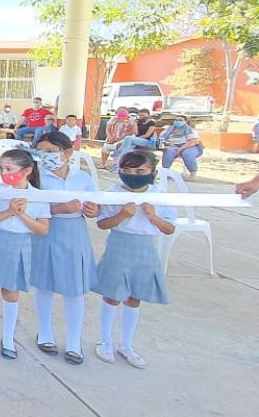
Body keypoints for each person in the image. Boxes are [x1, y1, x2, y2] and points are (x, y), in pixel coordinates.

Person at [93, 150, 176, 369]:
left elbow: (169, 228)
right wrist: (121, 215)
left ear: (152, 172)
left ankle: (127, 345)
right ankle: (105, 341)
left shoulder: (160, 195)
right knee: (112, 295)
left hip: (145, 248)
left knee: (134, 297)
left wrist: (152, 216)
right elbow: (102, 224)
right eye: (127, 170)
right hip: (119, 245)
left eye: (140, 171)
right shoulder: (113, 193)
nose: (133, 175)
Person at [0, 148, 51, 360]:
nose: (4, 172)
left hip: (20, 243)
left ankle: (8, 337)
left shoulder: (38, 196)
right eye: (1, 168)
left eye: (9, 168)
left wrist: (22, 214)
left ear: (27, 170)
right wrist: (9, 211)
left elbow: (43, 229)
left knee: (11, 291)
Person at [31, 132, 99, 364]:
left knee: (74, 288)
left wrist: (92, 211)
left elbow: (94, 206)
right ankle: (45, 333)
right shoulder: (36, 178)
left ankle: (74, 342)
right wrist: (60, 209)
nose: (45, 156)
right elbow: (31, 209)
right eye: (41, 151)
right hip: (47, 231)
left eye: (50, 151)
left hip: (75, 234)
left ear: (67, 153)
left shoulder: (83, 178)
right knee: (45, 284)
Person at [158, 114, 203, 181]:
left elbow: (194, 141)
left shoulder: (189, 129)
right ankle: (165, 172)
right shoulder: (169, 129)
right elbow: (161, 139)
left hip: (189, 146)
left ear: (185, 121)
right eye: (176, 120)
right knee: (168, 151)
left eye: (180, 120)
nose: (178, 121)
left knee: (187, 153)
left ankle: (193, 175)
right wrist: (164, 144)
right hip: (173, 146)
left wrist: (181, 149)